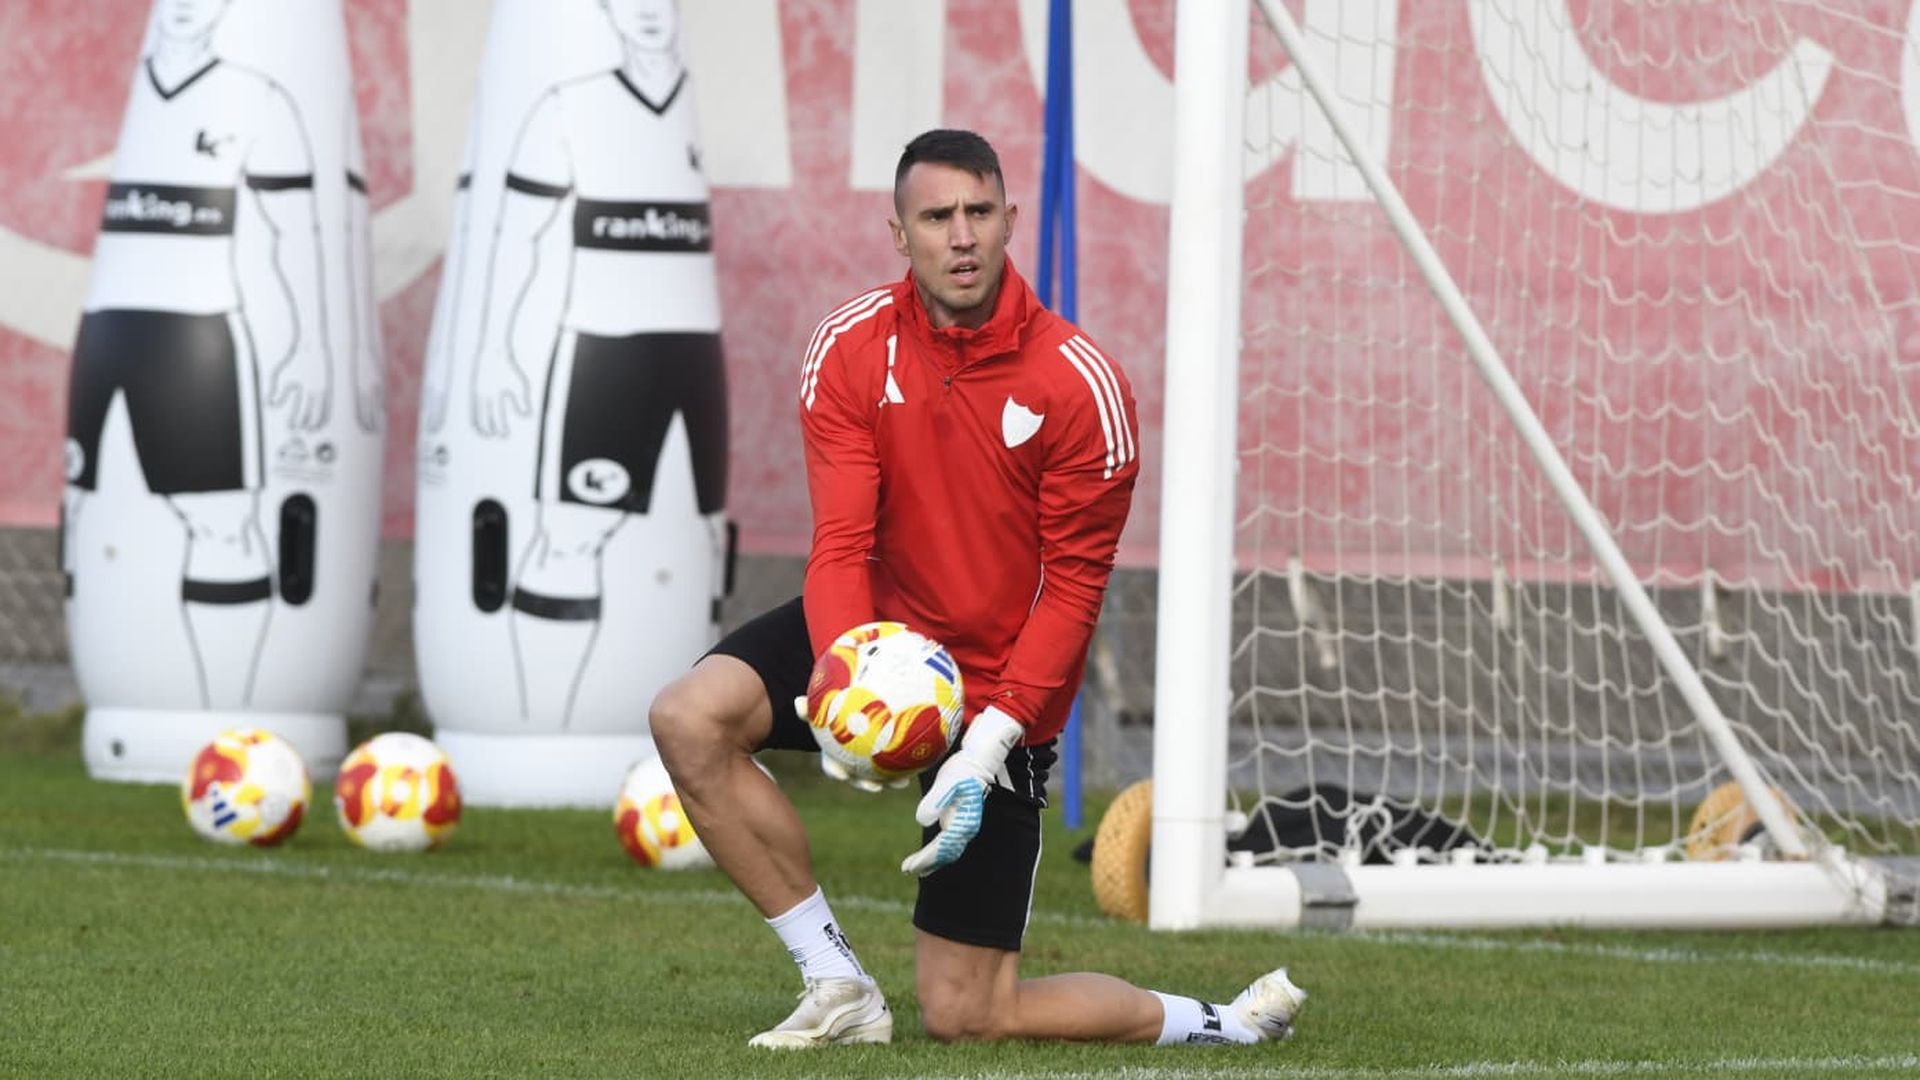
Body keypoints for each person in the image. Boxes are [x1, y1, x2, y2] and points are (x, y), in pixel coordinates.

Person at [650, 129, 1305, 1049]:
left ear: (1009, 221)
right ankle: (836, 982)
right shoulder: (849, 347)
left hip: (1002, 685)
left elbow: (1074, 591)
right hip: (879, 639)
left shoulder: (1081, 385)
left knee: (968, 1015)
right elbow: (841, 543)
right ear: (899, 233)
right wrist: (846, 687)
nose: (960, 235)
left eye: (978, 212)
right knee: (690, 718)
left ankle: (1222, 1024)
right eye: (936, 217)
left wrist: (989, 738)